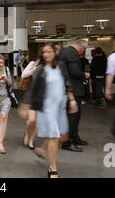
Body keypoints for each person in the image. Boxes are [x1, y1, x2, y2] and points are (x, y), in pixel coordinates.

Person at [23, 43, 78, 178]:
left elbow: (66, 83)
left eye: (49, 52)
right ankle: (52, 168)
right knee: (54, 136)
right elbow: (33, 89)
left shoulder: (61, 66)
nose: (46, 54)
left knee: (62, 137)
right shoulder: (40, 69)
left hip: (60, 106)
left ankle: (42, 151)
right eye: (44, 52)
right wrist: (27, 106)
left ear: (55, 53)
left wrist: (71, 100)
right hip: (46, 107)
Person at [59, 40, 90, 152]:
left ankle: (74, 137)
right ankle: (69, 141)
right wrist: (85, 75)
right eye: (84, 50)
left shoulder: (64, 51)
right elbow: (74, 71)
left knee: (72, 115)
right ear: (81, 47)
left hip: (67, 88)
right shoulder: (72, 53)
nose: (83, 52)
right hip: (73, 88)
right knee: (73, 116)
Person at [20, 55, 40, 150]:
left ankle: (31, 140)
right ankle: (27, 133)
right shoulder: (33, 63)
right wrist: (34, 70)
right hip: (32, 93)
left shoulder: (51, 66)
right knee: (31, 120)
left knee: (37, 121)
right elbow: (23, 75)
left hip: (43, 95)